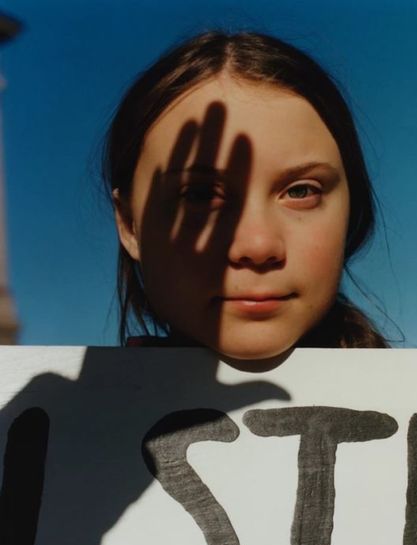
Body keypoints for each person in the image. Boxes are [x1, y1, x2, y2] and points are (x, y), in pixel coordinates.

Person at [104, 30, 388, 361]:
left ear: (351, 212)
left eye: (301, 191)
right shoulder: (71, 409)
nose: (258, 246)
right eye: (200, 195)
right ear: (130, 225)